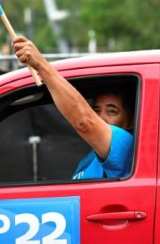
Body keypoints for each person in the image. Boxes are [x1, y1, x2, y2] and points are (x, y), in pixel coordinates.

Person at [12, 36, 134, 180]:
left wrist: (41, 65)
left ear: (131, 120)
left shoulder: (126, 145)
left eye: (112, 111)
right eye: (96, 110)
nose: (101, 118)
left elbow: (85, 122)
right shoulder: (89, 160)